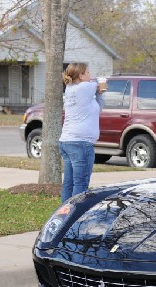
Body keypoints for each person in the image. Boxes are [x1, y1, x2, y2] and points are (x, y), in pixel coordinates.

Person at [59, 63, 105, 203]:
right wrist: (101, 83)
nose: (90, 75)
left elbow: (99, 106)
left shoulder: (73, 90)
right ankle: (76, 216)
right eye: (88, 72)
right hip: (81, 144)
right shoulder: (83, 88)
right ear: (81, 75)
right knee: (81, 183)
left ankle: (64, 215)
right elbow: (99, 84)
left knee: (69, 182)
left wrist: (100, 93)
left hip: (68, 141)